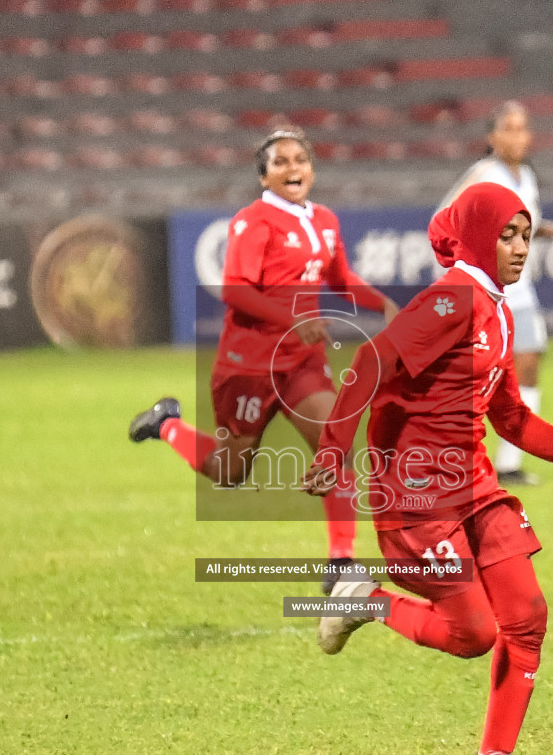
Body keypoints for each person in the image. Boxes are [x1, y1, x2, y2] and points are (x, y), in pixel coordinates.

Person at [302, 182, 553, 755]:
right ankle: (364, 601)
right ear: (480, 238)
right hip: (414, 493)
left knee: (526, 613)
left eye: (526, 237)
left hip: (474, 485)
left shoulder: (499, 312)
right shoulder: (453, 299)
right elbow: (369, 364)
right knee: (473, 634)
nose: (519, 248)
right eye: (507, 235)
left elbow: (513, 421)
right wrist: (333, 451)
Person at [129, 127, 399, 591]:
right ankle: (166, 425)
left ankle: (340, 565)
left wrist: (383, 305)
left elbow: (341, 277)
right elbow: (236, 289)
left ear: (312, 168)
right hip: (248, 366)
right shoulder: (254, 221)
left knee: (335, 446)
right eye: (281, 162)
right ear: (264, 176)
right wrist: (295, 316)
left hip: (301, 362)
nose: (293, 168)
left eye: (300, 159)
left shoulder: (325, 221)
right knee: (230, 473)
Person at [438, 101, 553, 487]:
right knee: (472, 373)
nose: (516, 136)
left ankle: (509, 462)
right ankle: (444, 456)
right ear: (492, 137)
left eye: (522, 128)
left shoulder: (526, 177)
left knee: (530, 361)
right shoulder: (484, 175)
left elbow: (526, 223)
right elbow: (444, 221)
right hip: (483, 291)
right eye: (508, 128)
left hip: (519, 289)